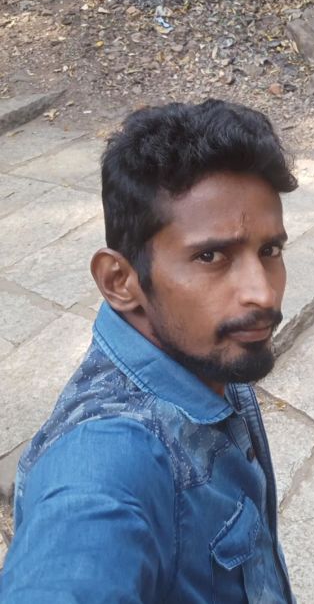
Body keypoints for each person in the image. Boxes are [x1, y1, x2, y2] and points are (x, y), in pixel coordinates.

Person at [0, 99, 298, 603]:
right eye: (211, 256)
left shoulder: (205, 352)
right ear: (120, 281)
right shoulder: (106, 464)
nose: (264, 294)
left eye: (270, 251)